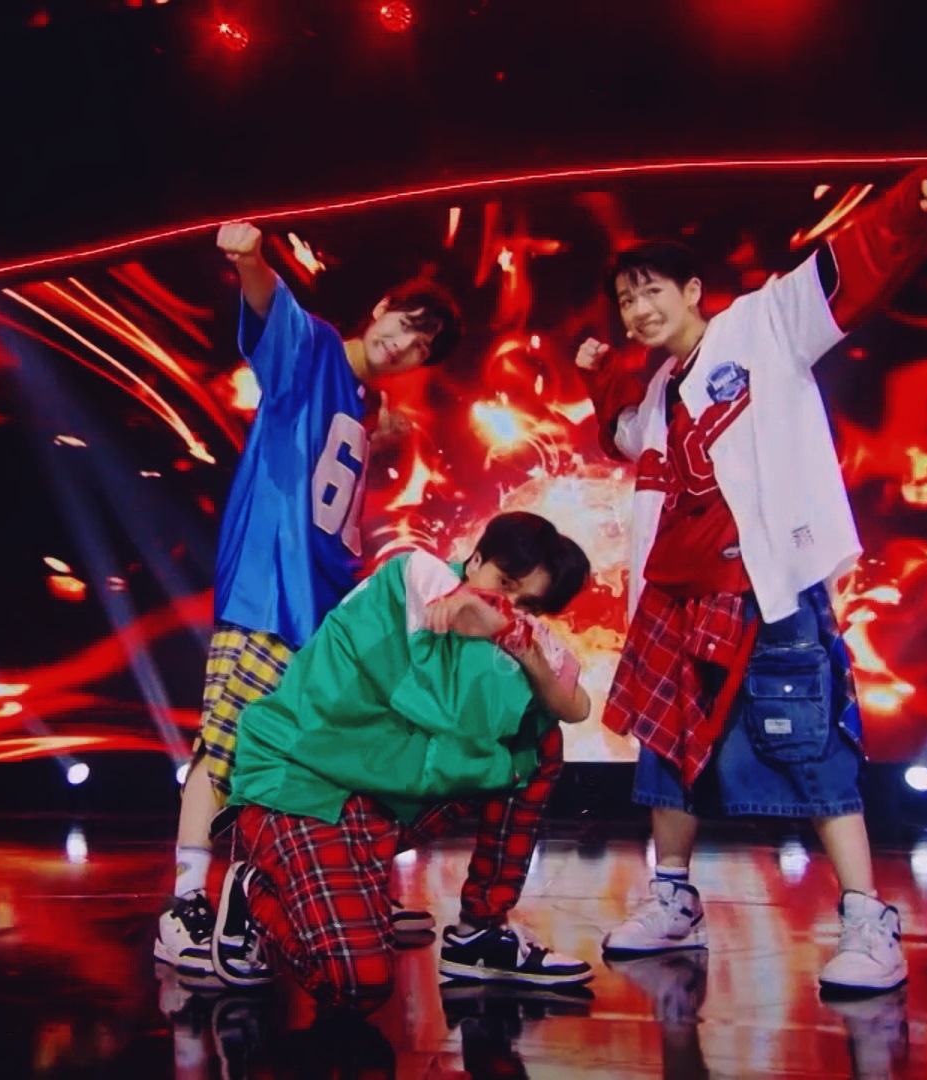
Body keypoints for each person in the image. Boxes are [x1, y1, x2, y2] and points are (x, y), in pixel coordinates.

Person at [574, 168, 927, 995]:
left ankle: (867, 919)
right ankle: (673, 898)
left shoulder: (762, 324)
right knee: (667, 753)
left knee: (809, 742)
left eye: (651, 291)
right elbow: (623, 431)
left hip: (764, 589)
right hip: (676, 598)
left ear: (692, 290)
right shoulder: (659, 390)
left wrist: (910, 205)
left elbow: (842, 273)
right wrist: (598, 371)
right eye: (626, 300)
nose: (639, 310)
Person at [156, 222, 466, 975]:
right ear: (382, 307)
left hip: (320, 607)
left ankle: (292, 895)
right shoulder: (316, 347)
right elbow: (273, 307)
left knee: (308, 757)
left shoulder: (360, 399)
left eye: (421, 345)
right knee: (227, 743)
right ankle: (186, 905)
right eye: (406, 323)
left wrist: (374, 432)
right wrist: (250, 259)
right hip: (269, 591)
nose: (404, 343)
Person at [208, 512, 598, 1013]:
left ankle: (479, 932)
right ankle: (254, 892)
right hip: (303, 790)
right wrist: (487, 617)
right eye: (504, 584)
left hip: (379, 800)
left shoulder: (512, 636)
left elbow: (576, 706)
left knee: (536, 741)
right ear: (474, 560)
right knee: (358, 982)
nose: (510, 606)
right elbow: (445, 662)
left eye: (528, 603)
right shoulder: (417, 577)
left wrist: (518, 639)